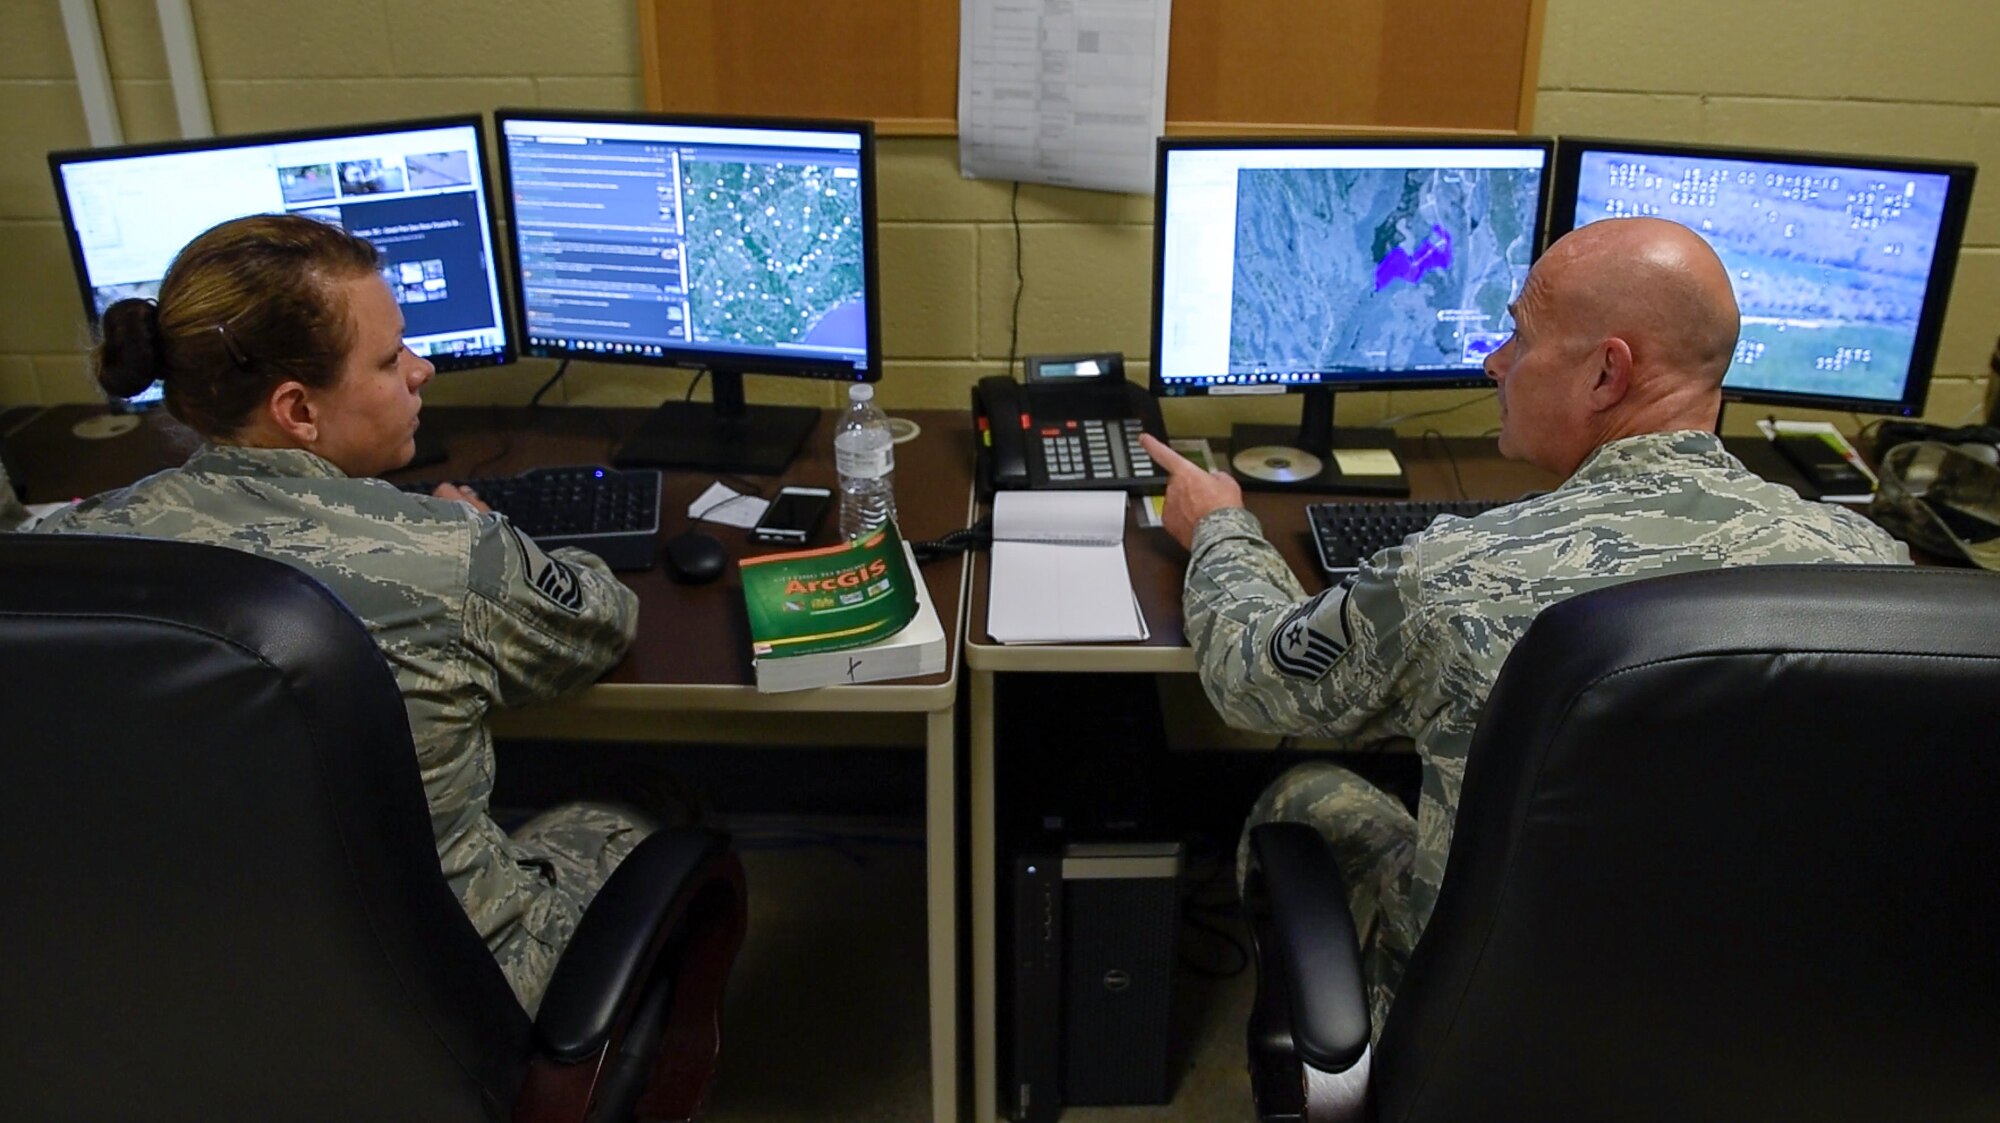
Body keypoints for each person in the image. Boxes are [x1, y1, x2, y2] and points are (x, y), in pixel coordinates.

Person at [1138, 216, 1910, 1039]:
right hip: (1758, 1031)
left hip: (1489, 1042)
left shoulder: (1453, 578)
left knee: (1303, 796)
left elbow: (1251, 680)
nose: (1493, 362)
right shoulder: (1873, 569)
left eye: (1518, 334)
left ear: (1607, 373)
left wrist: (1219, 525)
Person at [36, 213, 646, 1014]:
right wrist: (488, 532)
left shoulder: (71, 549)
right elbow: (606, 621)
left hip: (178, 1000)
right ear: (298, 410)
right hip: (442, 1009)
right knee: (621, 822)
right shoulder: (452, 559)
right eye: (392, 359)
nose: (422, 370)